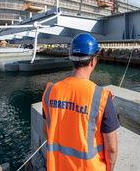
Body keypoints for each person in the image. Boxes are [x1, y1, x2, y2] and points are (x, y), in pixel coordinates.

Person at [42, 33, 120, 171]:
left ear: (72, 59)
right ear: (93, 61)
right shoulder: (100, 96)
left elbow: (46, 130)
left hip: (57, 166)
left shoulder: (50, 91)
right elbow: (112, 148)